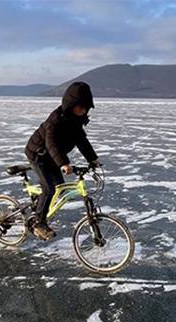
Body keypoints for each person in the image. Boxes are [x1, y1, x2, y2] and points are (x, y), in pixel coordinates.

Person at [24, 81, 101, 240]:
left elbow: (82, 142)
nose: (83, 110)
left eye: (86, 107)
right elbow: (51, 144)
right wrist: (63, 163)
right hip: (38, 154)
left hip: (51, 158)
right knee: (50, 189)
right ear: (70, 104)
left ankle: (38, 206)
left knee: (60, 187)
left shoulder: (76, 122)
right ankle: (38, 222)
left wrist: (93, 159)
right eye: (80, 106)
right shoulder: (55, 120)